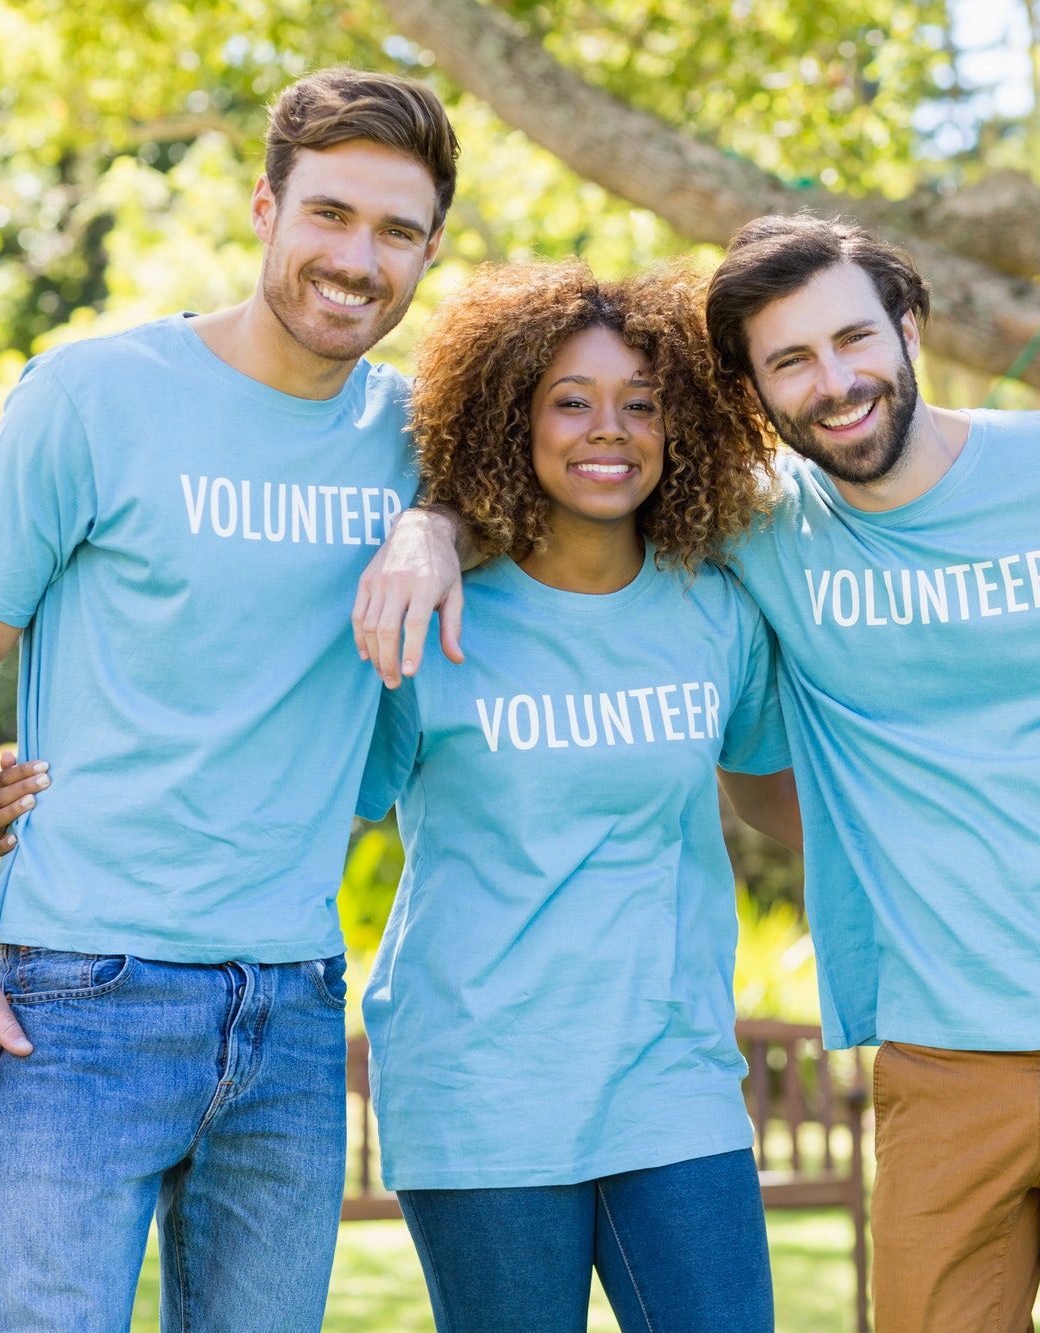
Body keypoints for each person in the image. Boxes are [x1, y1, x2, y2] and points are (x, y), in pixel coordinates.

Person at [357, 214, 1040, 1332]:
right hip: (933, 1051)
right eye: (789, 362)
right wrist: (428, 525)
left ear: (908, 325)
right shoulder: (751, 532)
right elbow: (557, 479)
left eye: (853, 338)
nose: (835, 381)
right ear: (750, 394)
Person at [0, 69, 455, 1332]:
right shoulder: (95, 397)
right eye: (330, 214)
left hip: (295, 1002)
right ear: (264, 206)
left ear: (428, 252)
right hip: (82, 995)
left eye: (396, 232)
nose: (357, 259)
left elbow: (572, 468)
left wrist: (436, 522)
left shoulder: (423, 436)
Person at [348, 258, 792, 1332]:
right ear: (511, 418)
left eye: (641, 405)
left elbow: (785, 805)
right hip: (480, 1084)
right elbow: (303, 804)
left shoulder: (715, 615)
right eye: (572, 403)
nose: (610, 430)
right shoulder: (433, 613)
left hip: (675, 1081)